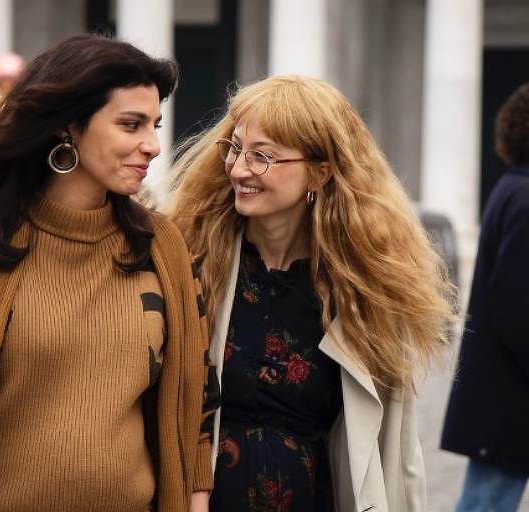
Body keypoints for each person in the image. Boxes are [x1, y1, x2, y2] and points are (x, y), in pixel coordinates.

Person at [0, 35, 214, 512]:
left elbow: (195, 407)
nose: (152, 146)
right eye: (131, 125)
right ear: (69, 125)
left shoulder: (162, 248)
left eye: (154, 125)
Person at [167, 75, 456, 511]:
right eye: (236, 148)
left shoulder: (363, 291)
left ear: (320, 173)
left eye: (263, 156)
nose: (240, 168)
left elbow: (396, 451)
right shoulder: (192, 259)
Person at [441, 83, 529, 511]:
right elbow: (518, 305)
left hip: (501, 395)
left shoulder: (513, 188)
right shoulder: (525, 196)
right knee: (487, 502)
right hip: (510, 397)